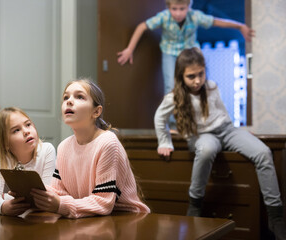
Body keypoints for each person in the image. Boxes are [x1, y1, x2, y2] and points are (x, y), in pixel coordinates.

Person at [154, 47, 286, 239]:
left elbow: (222, 113)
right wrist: (164, 141)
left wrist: (242, 135)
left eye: (201, 74)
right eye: (191, 76)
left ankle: (276, 218)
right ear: (181, 76)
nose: (198, 80)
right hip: (202, 136)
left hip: (226, 130)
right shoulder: (173, 97)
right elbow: (159, 117)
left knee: (263, 152)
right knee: (206, 150)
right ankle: (195, 206)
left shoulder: (212, 86)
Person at [30, 79, 150, 218]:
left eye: (79, 96)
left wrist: (60, 205)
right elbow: (59, 192)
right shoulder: (64, 146)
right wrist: (32, 194)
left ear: (96, 111)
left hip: (125, 218)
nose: (69, 101)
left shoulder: (108, 143)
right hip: (90, 218)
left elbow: (104, 202)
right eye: (66, 97)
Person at [117, 0, 255, 95]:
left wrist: (240, 26)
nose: (177, 13)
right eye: (174, 9)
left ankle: (200, 118)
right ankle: (173, 124)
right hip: (170, 51)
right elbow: (142, 26)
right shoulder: (164, 17)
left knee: (199, 83)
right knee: (170, 86)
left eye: (182, 9)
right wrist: (130, 49)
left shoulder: (195, 16)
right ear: (168, 7)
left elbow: (216, 22)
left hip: (190, 51)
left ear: (188, 7)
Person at [0, 107, 56, 216]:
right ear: (5, 143)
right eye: (16, 130)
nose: (26, 131)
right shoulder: (0, 156)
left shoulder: (47, 150)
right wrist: (3, 206)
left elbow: (45, 197)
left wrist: (5, 196)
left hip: (39, 219)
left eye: (28, 124)